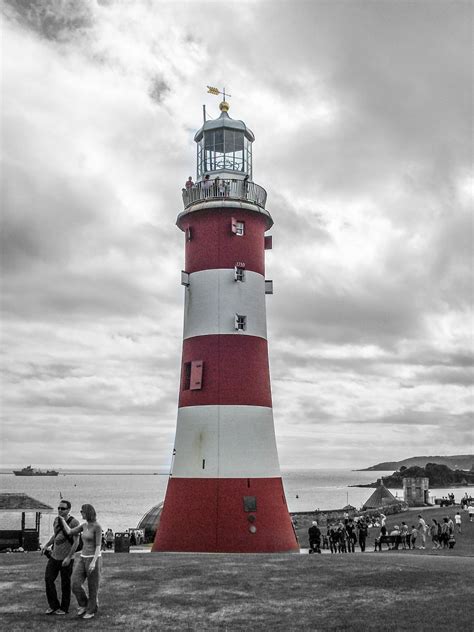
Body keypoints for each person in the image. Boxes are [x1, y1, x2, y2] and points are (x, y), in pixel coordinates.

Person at [60, 503, 102, 620]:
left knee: (93, 587)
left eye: (82, 511)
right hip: (83, 558)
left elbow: (98, 546)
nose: (81, 513)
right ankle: (83, 604)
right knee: (75, 583)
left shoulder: (97, 527)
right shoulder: (84, 526)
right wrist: (63, 519)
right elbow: (69, 531)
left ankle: (91, 610)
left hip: (94, 558)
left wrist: (94, 562)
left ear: (87, 513)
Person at [41, 500, 80, 615]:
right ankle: (53, 605)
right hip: (54, 556)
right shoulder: (56, 520)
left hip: (66, 558)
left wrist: (69, 557)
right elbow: (56, 535)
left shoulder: (74, 523)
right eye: (58, 508)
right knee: (48, 579)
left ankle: (64, 608)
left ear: (68, 510)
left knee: (65, 583)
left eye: (63, 509)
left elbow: (76, 542)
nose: (60, 510)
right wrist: (47, 545)